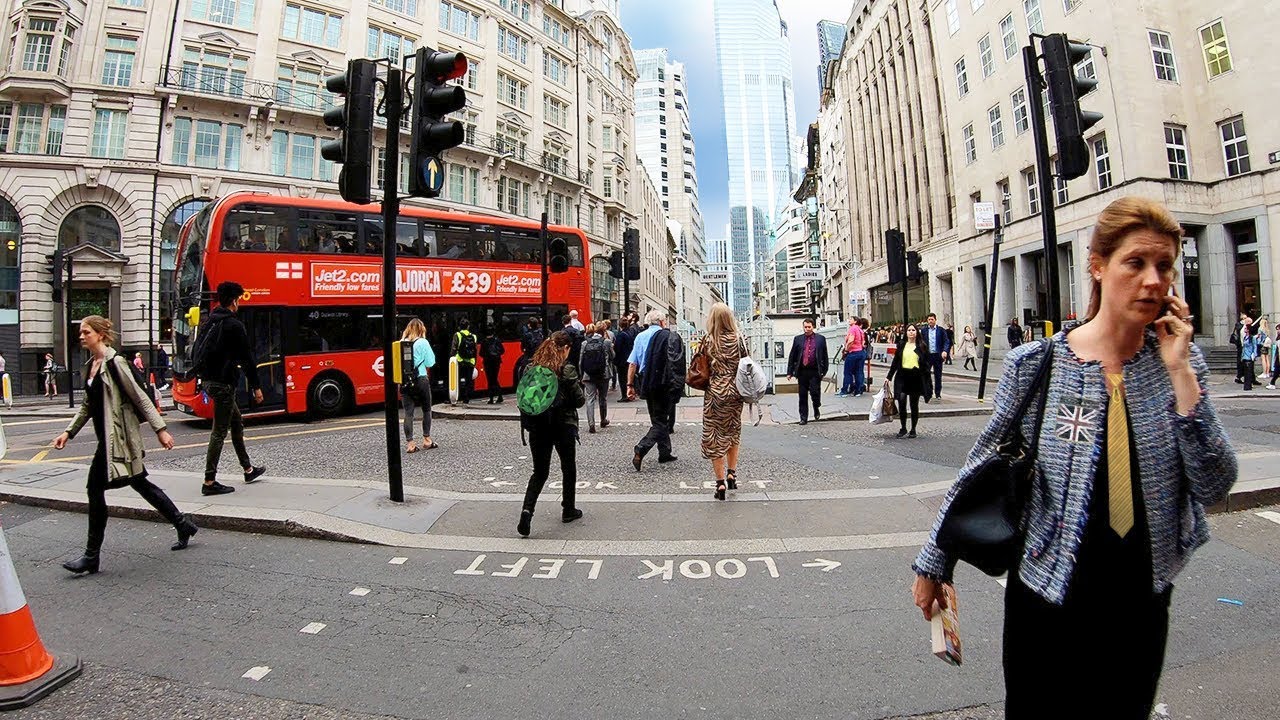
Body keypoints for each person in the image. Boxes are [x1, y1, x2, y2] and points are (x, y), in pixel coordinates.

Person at [910, 196, 1237, 719]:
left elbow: (1216, 483)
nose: (1153, 280)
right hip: (1047, 595)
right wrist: (935, 562)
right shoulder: (1037, 364)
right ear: (1098, 265)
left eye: (1164, 265)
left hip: (1140, 602)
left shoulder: (1180, 364)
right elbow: (980, 465)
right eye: (1136, 262)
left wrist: (1182, 374)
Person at [52, 315, 193, 575]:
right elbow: (87, 406)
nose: (81, 336)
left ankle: (91, 557)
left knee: (96, 490)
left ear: (101, 334)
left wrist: (160, 430)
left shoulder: (115, 363)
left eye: (86, 332)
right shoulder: (91, 365)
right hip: (107, 440)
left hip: (119, 440)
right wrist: (68, 432)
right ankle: (182, 524)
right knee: (140, 483)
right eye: (80, 333)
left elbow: (141, 398)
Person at [516, 331, 586, 537]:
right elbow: (579, 400)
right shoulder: (566, 369)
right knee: (568, 468)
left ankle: (527, 512)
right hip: (562, 425)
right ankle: (568, 509)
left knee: (539, 472)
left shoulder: (530, 368)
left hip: (538, 427)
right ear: (564, 349)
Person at [200, 281, 267, 496]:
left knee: (236, 422)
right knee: (219, 431)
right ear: (235, 301)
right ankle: (209, 481)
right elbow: (246, 358)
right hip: (223, 384)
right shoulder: (233, 325)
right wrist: (256, 387)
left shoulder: (209, 321)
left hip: (209, 381)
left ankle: (248, 469)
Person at [699, 303, 745, 501]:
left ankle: (720, 484)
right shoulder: (739, 339)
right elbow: (746, 364)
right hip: (735, 392)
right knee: (733, 431)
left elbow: (700, 366)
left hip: (715, 392)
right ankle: (732, 473)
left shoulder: (708, 341)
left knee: (714, 436)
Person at [628, 310, 682, 470]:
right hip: (663, 382)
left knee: (656, 417)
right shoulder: (668, 336)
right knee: (661, 420)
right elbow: (674, 361)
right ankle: (641, 447)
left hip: (646, 380)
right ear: (662, 322)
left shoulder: (640, 336)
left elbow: (632, 363)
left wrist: (629, 385)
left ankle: (664, 452)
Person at [400, 318, 437, 452]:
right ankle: (427, 440)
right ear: (422, 329)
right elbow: (430, 363)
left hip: (405, 381)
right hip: (420, 379)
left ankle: (410, 444)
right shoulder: (422, 342)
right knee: (426, 409)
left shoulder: (402, 343)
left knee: (408, 412)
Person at [886, 324, 927, 438]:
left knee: (914, 405)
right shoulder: (902, 345)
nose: (911, 332)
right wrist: (889, 377)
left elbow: (926, 364)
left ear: (917, 332)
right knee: (902, 402)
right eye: (909, 330)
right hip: (902, 376)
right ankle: (903, 427)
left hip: (915, 376)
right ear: (906, 333)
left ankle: (913, 429)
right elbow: (895, 362)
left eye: (913, 330)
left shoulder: (921, 345)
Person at [785, 318, 829, 425]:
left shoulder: (820, 339)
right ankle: (803, 417)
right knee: (802, 395)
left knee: (815, 392)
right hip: (802, 371)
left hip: (815, 370)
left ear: (813, 327)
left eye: (809, 327)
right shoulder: (798, 339)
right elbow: (793, 356)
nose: (807, 329)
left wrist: (824, 370)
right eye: (805, 327)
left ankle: (816, 406)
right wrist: (790, 372)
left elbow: (824, 356)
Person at [578, 323, 613, 433]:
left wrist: (581, 375)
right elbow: (613, 356)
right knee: (603, 398)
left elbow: (580, 361)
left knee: (590, 399)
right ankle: (603, 420)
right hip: (604, 374)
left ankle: (591, 424)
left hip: (588, 375)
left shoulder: (584, 343)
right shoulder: (606, 342)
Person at [921, 313, 951, 400]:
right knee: (926, 374)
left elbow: (946, 341)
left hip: (937, 356)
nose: (930, 321)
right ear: (927, 320)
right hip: (928, 356)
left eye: (932, 319)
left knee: (938, 375)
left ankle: (938, 393)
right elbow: (921, 342)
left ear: (935, 320)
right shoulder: (924, 330)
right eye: (929, 319)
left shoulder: (941, 330)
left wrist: (945, 351)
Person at [451, 317, 477, 404]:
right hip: (470, 361)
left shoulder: (457, 335)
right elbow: (475, 350)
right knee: (468, 380)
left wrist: (451, 357)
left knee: (457, 379)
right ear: (468, 326)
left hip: (460, 361)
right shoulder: (474, 336)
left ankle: (458, 396)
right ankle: (467, 398)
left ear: (459, 327)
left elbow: (454, 348)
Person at [839, 318, 867, 397]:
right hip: (861, 352)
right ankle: (858, 390)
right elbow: (863, 343)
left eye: (851, 319)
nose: (849, 320)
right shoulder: (860, 330)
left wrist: (846, 350)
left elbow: (851, 340)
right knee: (859, 372)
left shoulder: (853, 328)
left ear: (855, 321)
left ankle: (845, 390)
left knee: (848, 372)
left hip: (853, 352)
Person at [481, 326, 506, 404]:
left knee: (490, 380)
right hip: (496, 362)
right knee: (494, 378)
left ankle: (491, 398)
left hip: (487, 362)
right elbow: (502, 350)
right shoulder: (497, 340)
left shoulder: (484, 342)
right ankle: (499, 395)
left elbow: (481, 353)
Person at [613, 314, 635, 402]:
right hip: (629, 358)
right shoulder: (630, 333)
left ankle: (625, 395)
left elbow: (617, 348)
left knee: (622, 379)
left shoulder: (621, 335)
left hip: (622, 360)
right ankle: (630, 393)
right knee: (628, 377)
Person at [1239, 321, 1259, 391]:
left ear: (1248, 330)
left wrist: (1254, 355)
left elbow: (1255, 347)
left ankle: (1248, 386)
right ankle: (1246, 386)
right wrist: (1242, 357)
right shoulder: (1245, 337)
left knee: (1249, 372)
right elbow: (1243, 348)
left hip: (1249, 357)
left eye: (1245, 329)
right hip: (1244, 356)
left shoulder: (1252, 338)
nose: (1244, 330)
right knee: (1246, 372)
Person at [1231, 312, 1250, 383]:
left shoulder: (1247, 325)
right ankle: (1239, 376)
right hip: (1240, 346)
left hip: (1245, 346)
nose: (1245, 320)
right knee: (1240, 361)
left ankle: (1246, 377)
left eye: (1246, 318)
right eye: (1244, 318)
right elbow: (1239, 331)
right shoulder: (1239, 325)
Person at [1258, 318, 1272, 382]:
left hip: (1262, 345)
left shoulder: (1260, 329)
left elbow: (1259, 338)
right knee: (1267, 359)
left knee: (1263, 359)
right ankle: (1267, 373)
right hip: (1267, 345)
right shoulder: (1267, 330)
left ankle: (1264, 373)